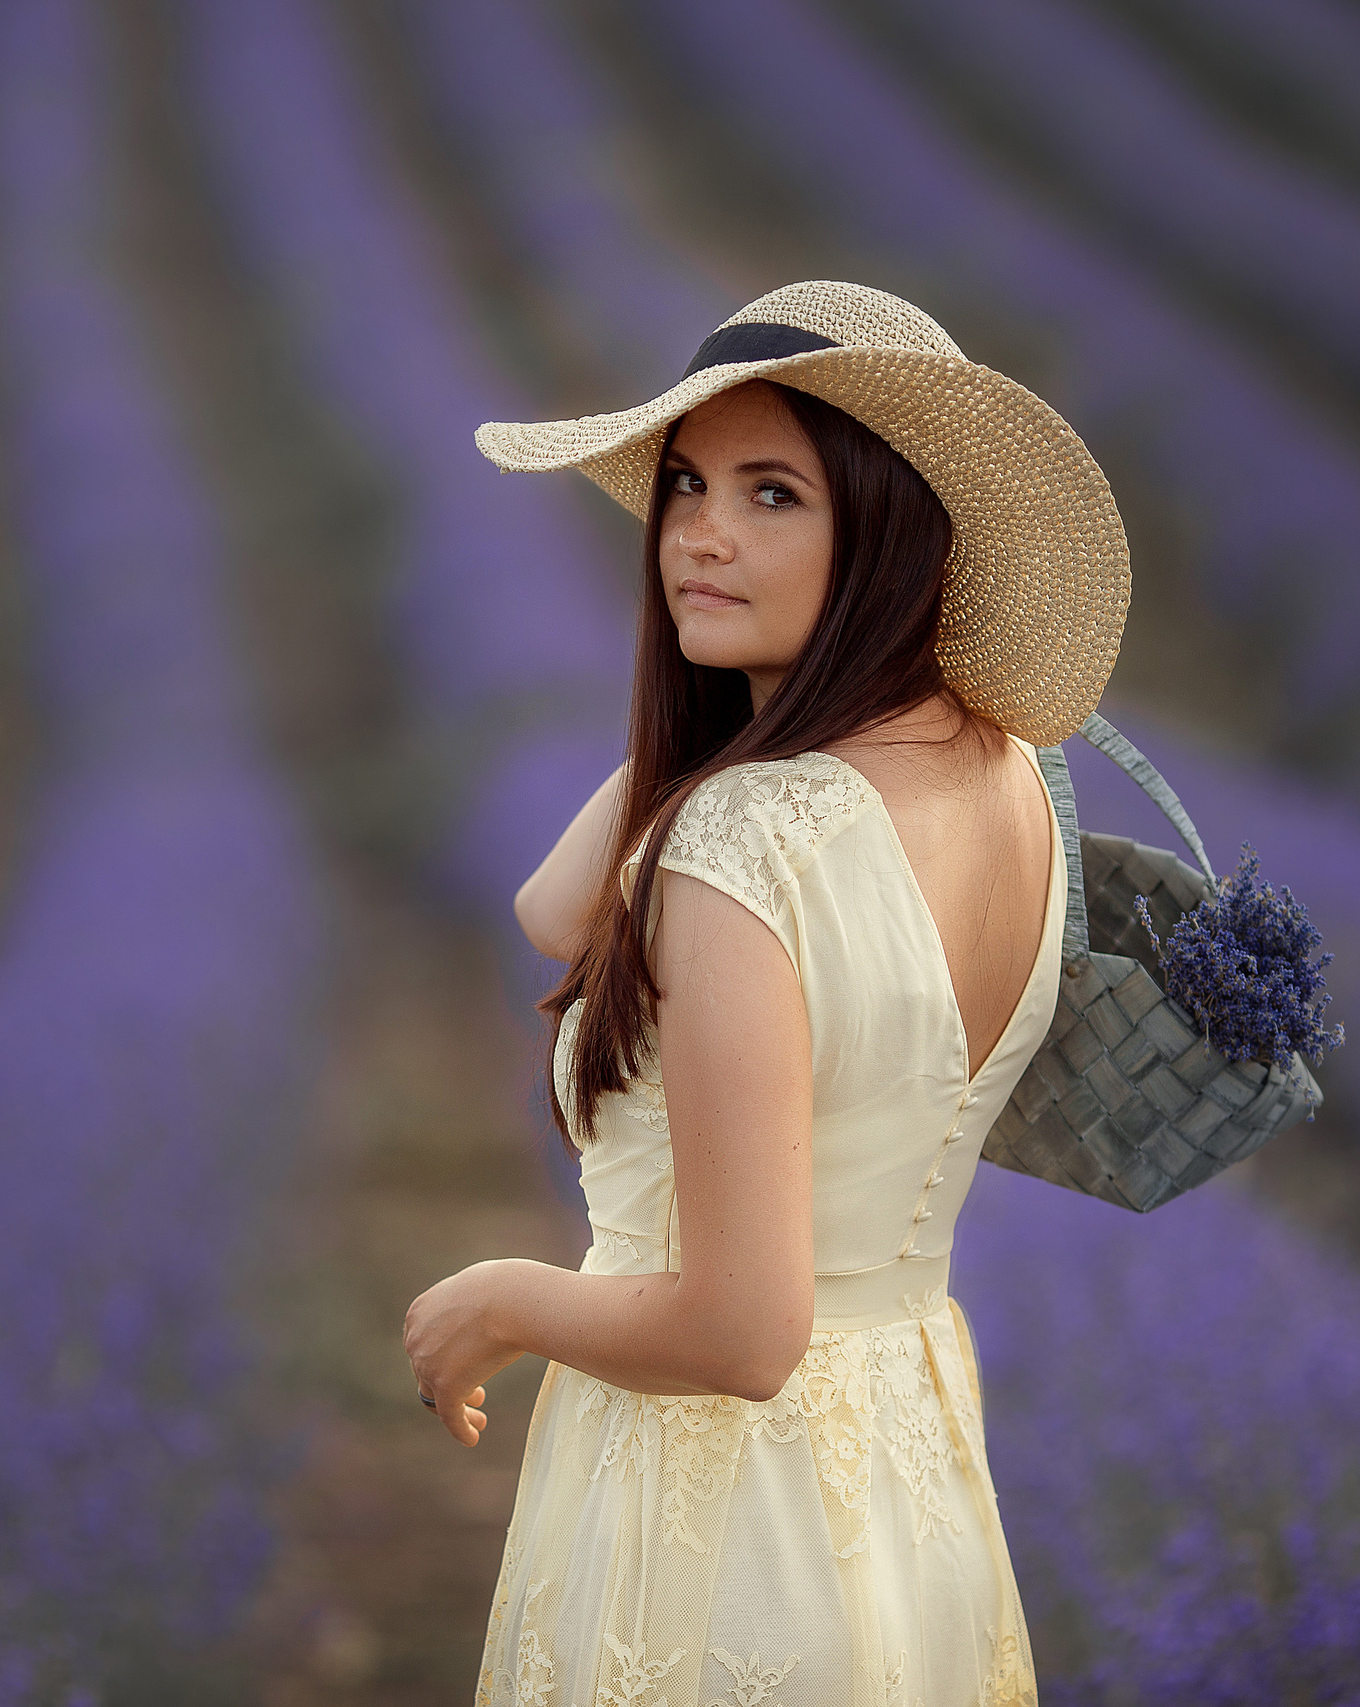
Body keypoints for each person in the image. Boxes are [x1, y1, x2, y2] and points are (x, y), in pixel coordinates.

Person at [406, 282, 1130, 1707]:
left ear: (890, 527)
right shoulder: (1011, 782)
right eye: (685, 486)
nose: (699, 536)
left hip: (719, 1532)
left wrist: (504, 1299)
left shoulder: (750, 846)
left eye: (773, 493)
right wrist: (735, 716)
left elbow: (742, 1333)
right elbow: (555, 911)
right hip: (907, 1493)